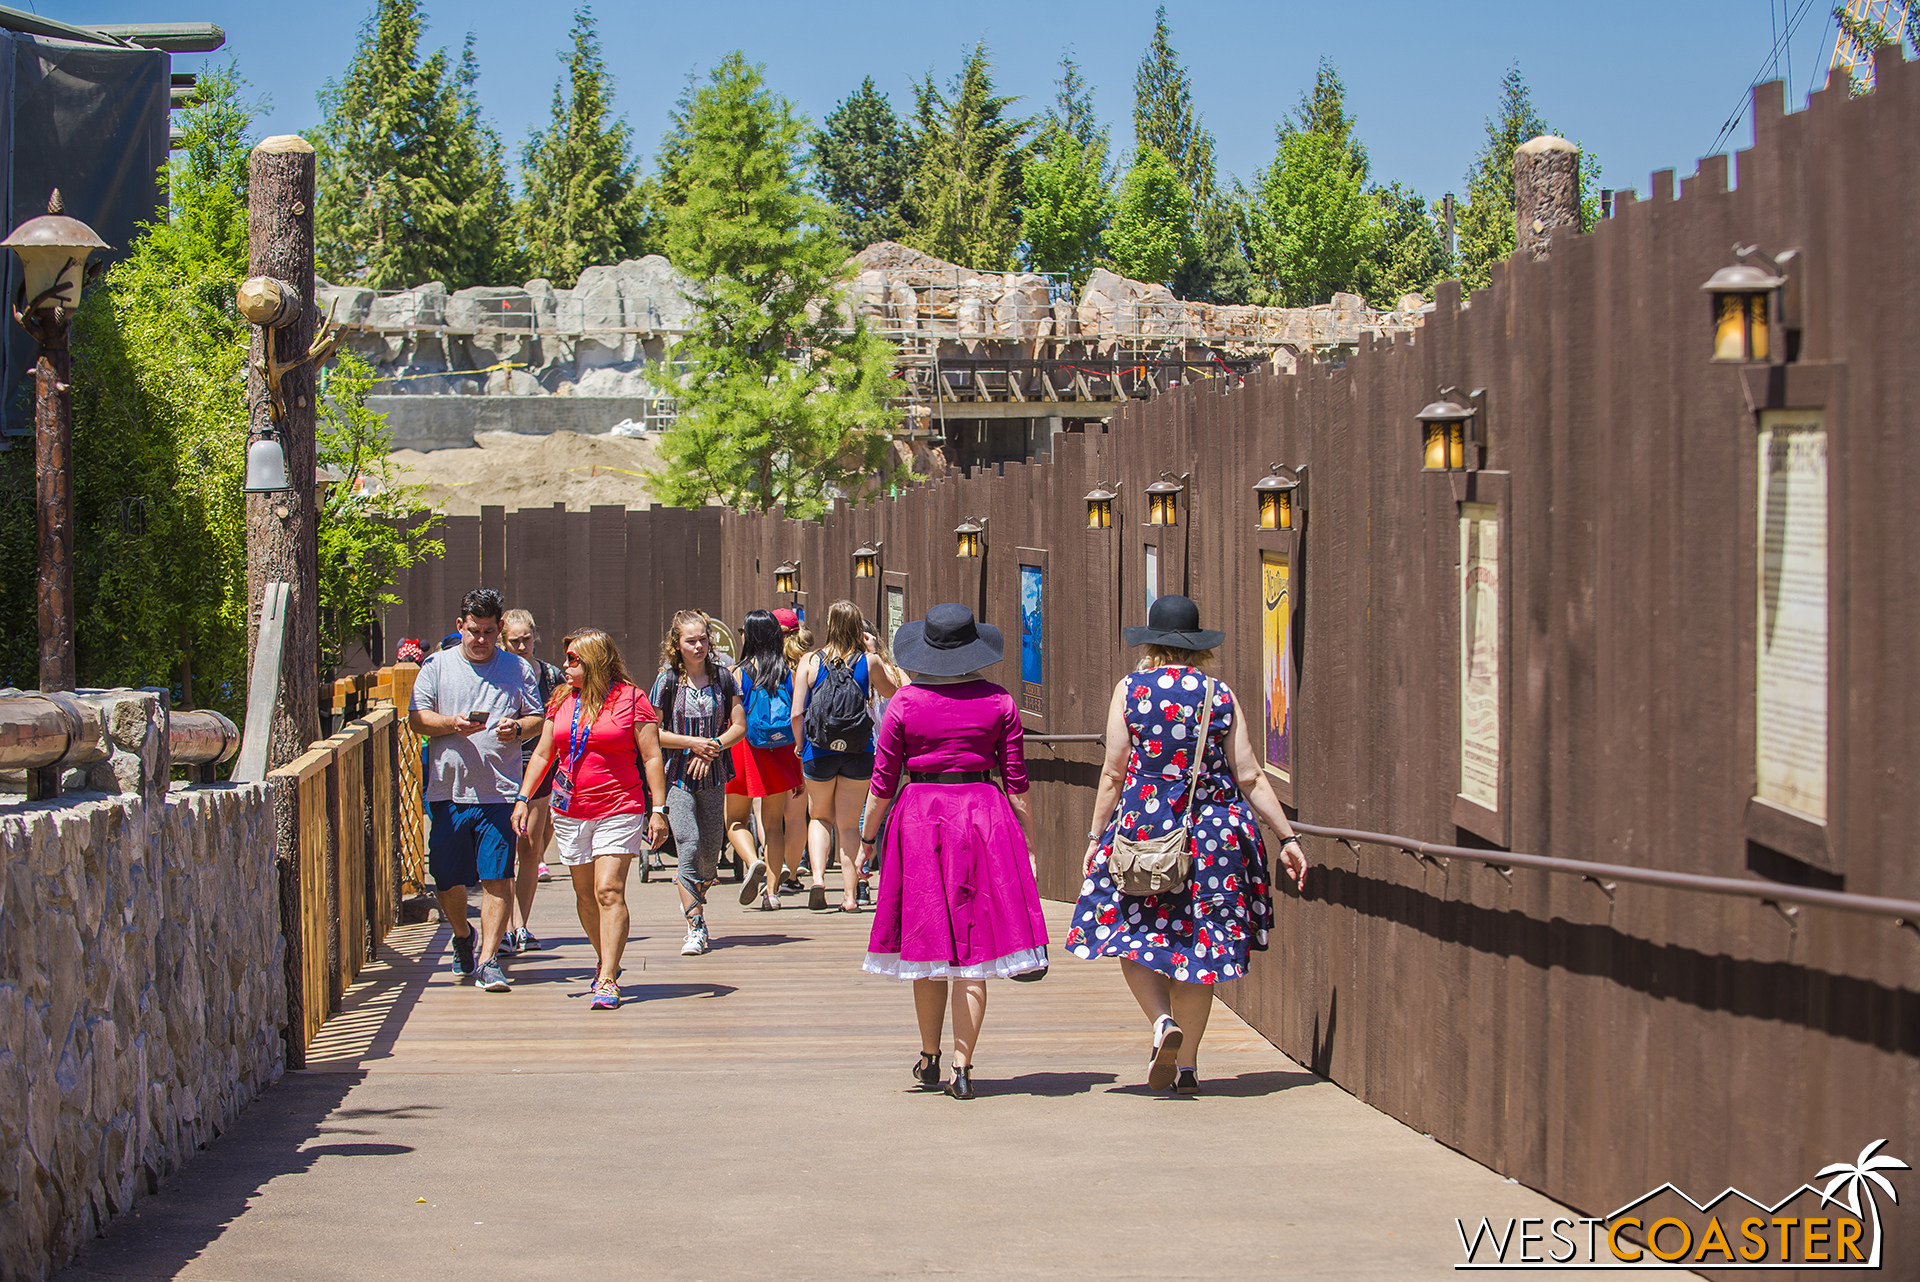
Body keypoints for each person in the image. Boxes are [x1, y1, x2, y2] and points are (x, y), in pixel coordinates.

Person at [1067, 594, 1310, 1095]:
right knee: (1202, 947)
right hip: (1216, 838)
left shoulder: (1131, 690)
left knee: (1131, 930)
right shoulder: (1218, 695)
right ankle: (1189, 1067)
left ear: (1150, 642)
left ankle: (1161, 1023)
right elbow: (1250, 775)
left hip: (1145, 831)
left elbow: (1113, 772)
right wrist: (1286, 836)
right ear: (1198, 647)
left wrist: (1095, 837)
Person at [858, 603, 1047, 1100]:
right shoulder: (1001, 703)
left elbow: (882, 785)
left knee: (927, 941)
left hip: (920, 816)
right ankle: (964, 1067)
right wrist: (1026, 842)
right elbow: (1017, 783)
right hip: (985, 816)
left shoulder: (903, 703)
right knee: (974, 949)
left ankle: (930, 1055)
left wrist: (865, 841)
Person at [513, 629, 668, 1011]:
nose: (565, 665)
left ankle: (608, 977)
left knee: (608, 891)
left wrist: (659, 809)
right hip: (570, 811)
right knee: (584, 895)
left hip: (619, 806)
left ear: (595, 662)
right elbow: (542, 754)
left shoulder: (632, 700)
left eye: (572, 659)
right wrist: (522, 798)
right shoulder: (562, 699)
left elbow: (651, 757)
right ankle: (606, 958)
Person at [407, 588, 543, 994]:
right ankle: (462, 935)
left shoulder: (518, 669)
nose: (480, 639)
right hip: (447, 792)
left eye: (487, 631)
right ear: (459, 627)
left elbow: (537, 717)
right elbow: (417, 718)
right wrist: (451, 723)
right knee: (446, 881)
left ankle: (488, 961)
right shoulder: (436, 666)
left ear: (499, 628)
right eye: (473, 631)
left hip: (499, 792)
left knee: (497, 877)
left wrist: (516, 728)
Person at [791, 600, 899, 912]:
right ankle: (851, 897)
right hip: (859, 750)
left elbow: (797, 713)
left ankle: (819, 880)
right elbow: (892, 691)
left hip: (818, 750)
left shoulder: (810, 661)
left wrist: (800, 745)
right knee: (849, 825)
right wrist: (875, 652)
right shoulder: (869, 661)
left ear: (829, 623)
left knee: (820, 816)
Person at [651, 610, 748, 956]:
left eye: (703, 639)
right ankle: (696, 925)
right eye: (690, 640)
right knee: (688, 845)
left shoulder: (724, 678)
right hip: (676, 776)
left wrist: (712, 747)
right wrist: (691, 744)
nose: (698, 646)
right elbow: (652, 734)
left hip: (714, 772)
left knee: (710, 852)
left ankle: (694, 892)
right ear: (676, 644)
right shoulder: (666, 682)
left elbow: (738, 725)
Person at [724, 610, 806, 911]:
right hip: (780, 750)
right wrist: (797, 767)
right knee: (774, 826)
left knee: (735, 821)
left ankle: (752, 860)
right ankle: (772, 894)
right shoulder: (788, 672)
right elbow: (798, 719)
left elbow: (729, 719)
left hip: (744, 750)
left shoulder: (737, 673)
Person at [499, 608, 565, 953]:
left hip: (539, 764)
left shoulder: (551, 675)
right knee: (503, 849)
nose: (522, 645)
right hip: (502, 765)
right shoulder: (497, 672)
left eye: (527, 639)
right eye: (515, 640)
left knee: (530, 846)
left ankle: (521, 924)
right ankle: (504, 923)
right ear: (503, 639)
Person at [774, 610, 812, 895]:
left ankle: (772, 872)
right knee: (797, 815)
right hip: (801, 743)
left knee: (769, 815)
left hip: (767, 744)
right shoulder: (807, 663)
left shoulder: (761, 665)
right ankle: (791, 875)